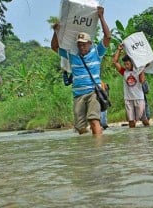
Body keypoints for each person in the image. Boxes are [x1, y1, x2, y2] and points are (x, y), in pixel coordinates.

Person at [51, 6, 111, 135]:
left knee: (94, 120)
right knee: (80, 128)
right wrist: (56, 31)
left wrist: (101, 17)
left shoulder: (97, 53)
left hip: (93, 92)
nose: (82, 46)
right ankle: (88, 151)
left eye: (84, 43)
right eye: (79, 44)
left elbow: (108, 37)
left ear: (90, 43)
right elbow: (54, 47)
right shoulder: (72, 55)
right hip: (78, 95)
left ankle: (98, 150)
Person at [112, 44, 149, 128]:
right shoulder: (124, 72)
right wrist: (119, 50)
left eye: (127, 64)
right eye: (125, 64)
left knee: (144, 119)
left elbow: (142, 81)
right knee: (131, 121)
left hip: (139, 98)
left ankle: (147, 133)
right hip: (128, 99)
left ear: (132, 63)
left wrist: (142, 69)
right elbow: (115, 62)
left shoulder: (138, 71)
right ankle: (133, 138)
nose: (126, 66)